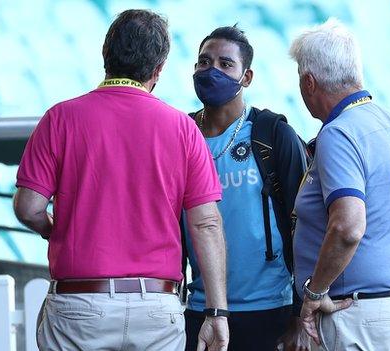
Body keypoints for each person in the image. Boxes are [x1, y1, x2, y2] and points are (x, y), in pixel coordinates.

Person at [13, 10, 229, 351]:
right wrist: (217, 312)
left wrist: (54, 228)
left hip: (79, 305)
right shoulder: (184, 129)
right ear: (158, 70)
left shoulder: (60, 118)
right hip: (156, 309)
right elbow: (206, 225)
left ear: (105, 54)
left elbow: (28, 207)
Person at [289, 18, 390, 351]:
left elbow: (348, 227)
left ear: (309, 83)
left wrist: (314, 294)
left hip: (359, 315)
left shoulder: (339, 133)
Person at [182, 25, 309, 351]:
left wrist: (299, 311)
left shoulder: (272, 133)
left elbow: (306, 222)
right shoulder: (181, 135)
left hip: (268, 309)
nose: (212, 71)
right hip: (201, 308)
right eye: (204, 62)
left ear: (247, 77)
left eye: (226, 64)